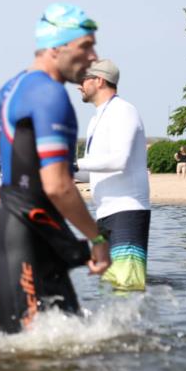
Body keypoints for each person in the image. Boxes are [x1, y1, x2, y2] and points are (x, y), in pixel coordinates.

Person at [0, 2, 111, 334]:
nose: (92, 56)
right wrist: (96, 237)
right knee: (24, 361)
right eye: (85, 45)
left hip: (29, 231)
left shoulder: (15, 86)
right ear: (56, 47)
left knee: (62, 344)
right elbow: (58, 187)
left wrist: (17, 146)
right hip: (24, 234)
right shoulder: (49, 95)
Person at [75, 59, 151, 291]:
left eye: (84, 79)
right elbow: (94, 172)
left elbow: (119, 160)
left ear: (99, 81)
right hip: (104, 214)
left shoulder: (123, 111)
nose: (79, 85)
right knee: (110, 291)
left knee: (127, 288)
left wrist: (73, 164)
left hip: (127, 210)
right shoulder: (95, 120)